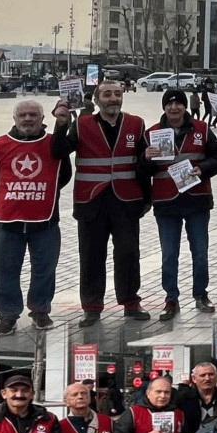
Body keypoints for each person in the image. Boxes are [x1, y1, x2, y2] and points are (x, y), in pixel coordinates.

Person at [51, 81, 148, 327]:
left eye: (117, 94)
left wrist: (147, 198)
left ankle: (130, 303)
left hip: (126, 200)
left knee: (128, 252)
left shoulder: (136, 124)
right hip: (91, 200)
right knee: (91, 255)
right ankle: (92, 307)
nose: (113, 98)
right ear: (96, 100)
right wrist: (61, 124)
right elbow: (58, 151)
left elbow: (144, 164)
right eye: (107, 94)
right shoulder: (81, 124)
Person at [0, 99, 72, 334]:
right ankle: (7, 315)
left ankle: (40, 311)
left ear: (42, 119)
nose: (28, 119)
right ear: (14, 119)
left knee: (44, 269)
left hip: (45, 222)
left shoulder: (53, 145)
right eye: (22, 115)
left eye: (33, 115)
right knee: (5, 271)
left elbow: (63, 176)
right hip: (8, 222)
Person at [138, 89, 217, 320]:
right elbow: (141, 171)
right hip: (166, 203)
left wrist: (203, 168)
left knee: (200, 252)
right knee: (169, 254)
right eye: (169, 104)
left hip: (197, 200)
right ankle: (171, 298)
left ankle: (201, 294)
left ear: (185, 106)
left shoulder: (202, 129)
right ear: (164, 108)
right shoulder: (152, 134)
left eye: (178, 103)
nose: (174, 107)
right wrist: (145, 158)